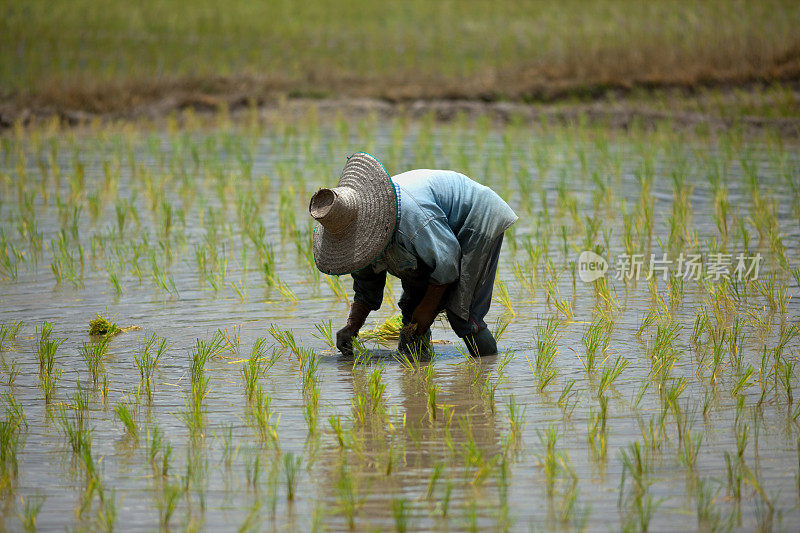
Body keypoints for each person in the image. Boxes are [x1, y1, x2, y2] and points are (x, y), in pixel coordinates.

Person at [308, 152, 517, 357]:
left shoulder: (411, 220)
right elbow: (367, 286)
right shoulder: (358, 241)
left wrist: (427, 309)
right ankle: (417, 378)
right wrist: (352, 326)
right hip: (432, 237)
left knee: (462, 313)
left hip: (474, 218)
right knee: (410, 311)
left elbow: (447, 262)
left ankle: (486, 370)